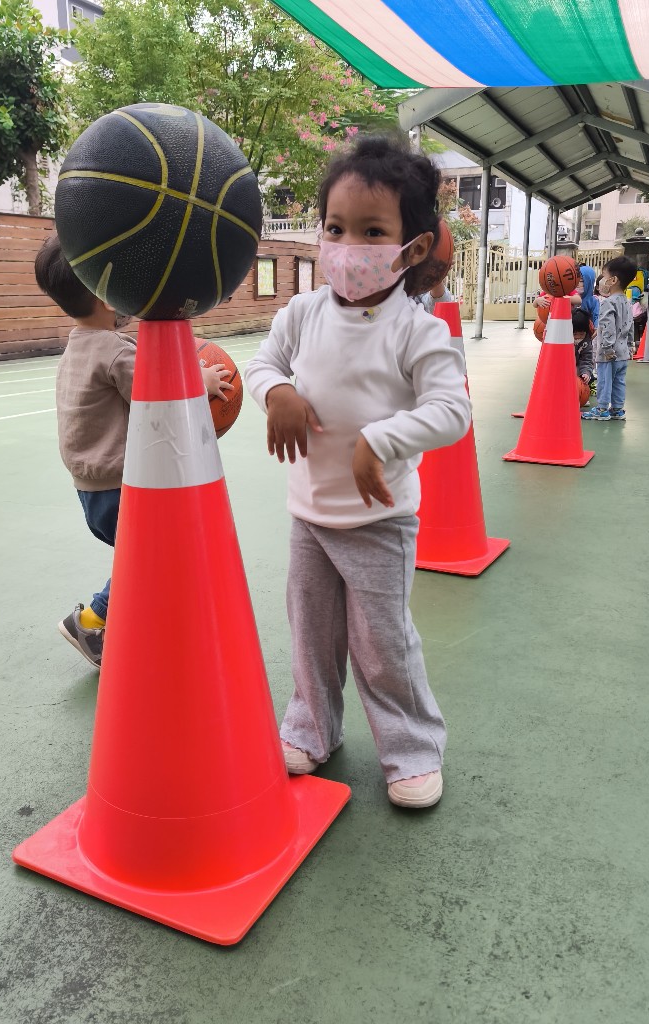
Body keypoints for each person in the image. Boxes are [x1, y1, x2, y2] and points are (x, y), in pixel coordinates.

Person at [244, 136, 471, 809]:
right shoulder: (303, 312)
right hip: (310, 515)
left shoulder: (416, 330)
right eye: (336, 228)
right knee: (311, 633)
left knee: (382, 645)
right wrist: (277, 392)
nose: (348, 247)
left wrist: (381, 437)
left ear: (414, 248)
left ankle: (412, 748)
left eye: (372, 232)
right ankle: (310, 729)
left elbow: (451, 410)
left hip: (379, 521)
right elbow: (261, 364)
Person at [34, 235, 233, 668]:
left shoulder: (77, 345)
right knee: (154, 556)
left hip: (91, 489)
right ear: (106, 297)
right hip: (118, 487)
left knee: (147, 557)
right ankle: (91, 621)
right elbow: (157, 391)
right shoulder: (113, 350)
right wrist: (201, 381)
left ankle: (137, 622)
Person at [581, 256, 637, 421]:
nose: (601, 281)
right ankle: (617, 409)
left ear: (613, 280)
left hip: (609, 353)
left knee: (605, 381)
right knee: (619, 381)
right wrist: (630, 345)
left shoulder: (608, 302)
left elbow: (607, 327)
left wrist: (606, 348)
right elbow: (630, 324)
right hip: (623, 352)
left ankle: (602, 409)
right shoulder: (627, 301)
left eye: (604, 276)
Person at [572, 308, 594, 385]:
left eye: (581, 334)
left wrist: (586, 372)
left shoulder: (586, 342)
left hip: (579, 368)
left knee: (587, 379)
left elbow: (587, 359)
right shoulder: (563, 341)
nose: (578, 337)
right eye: (574, 334)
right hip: (564, 369)